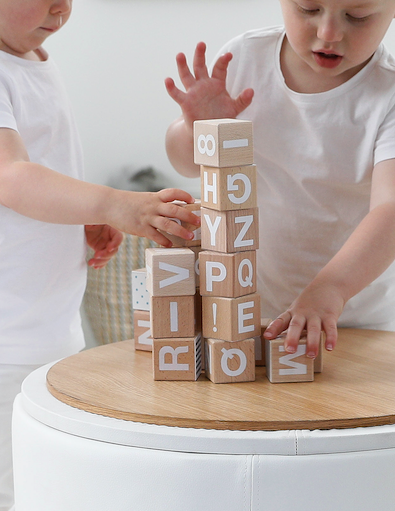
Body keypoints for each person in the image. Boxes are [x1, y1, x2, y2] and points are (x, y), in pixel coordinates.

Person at [0, 1, 199, 509]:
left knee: (47, 486)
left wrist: (82, 216)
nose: (60, 6)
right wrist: (114, 203)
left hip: (47, 329)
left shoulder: (34, 60)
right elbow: (10, 176)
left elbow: (37, 173)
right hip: (7, 342)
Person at [165, 0, 395, 359]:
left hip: (360, 324)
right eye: (308, 9)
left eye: (357, 16)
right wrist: (197, 130)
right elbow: (186, 164)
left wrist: (331, 289)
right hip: (256, 318)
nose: (328, 33)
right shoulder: (244, 59)